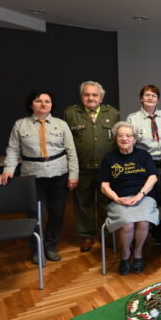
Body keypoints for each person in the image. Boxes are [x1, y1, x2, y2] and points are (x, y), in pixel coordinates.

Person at [0, 90, 79, 264]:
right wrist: (8, 169)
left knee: (57, 212)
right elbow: (12, 150)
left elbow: (71, 151)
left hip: (59, 174)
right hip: (32, 176)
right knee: (37, 214)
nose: (43, 104)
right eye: (39, 101)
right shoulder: (20, 125)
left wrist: (73, 174)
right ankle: (37, 248)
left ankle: (50, 246)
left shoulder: (61, 124)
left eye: (47, 101)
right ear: (31, 104)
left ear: (51, 105)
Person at [97, 121, 159, 275]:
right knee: (128, 224)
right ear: (116, 138)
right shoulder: (109, 158)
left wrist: (140, 195)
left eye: (129, 135)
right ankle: (125, 256)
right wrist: (117, 199)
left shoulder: (143, 155)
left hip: (143, 196)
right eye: (121, 135)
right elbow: (104, 185)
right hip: (119, 198)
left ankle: (137, 254)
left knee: (143, 221)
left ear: (134, 139)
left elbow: (153, 177)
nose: (125, 138)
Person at [64, 81, 119, 253]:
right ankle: (86, 235)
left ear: (101, 97)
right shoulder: (71, 113)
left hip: (107, 168)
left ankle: (107, 234)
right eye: (87, 95)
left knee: (106, 202)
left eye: (95, 95)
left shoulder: (113, 113)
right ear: (81, 97)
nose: (91, 98)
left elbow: (118, 141)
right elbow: (65, 143)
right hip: (82, 167)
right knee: (83, 203)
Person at [126, 84, 161, 244]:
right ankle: (150, 228)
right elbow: (130, 143)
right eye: (147, 95)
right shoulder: (133, 119)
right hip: (147, 163)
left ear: (158, 100)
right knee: (151, 196)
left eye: (153, 95)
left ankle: (158, 225)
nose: (150, 98)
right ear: (141, 98)